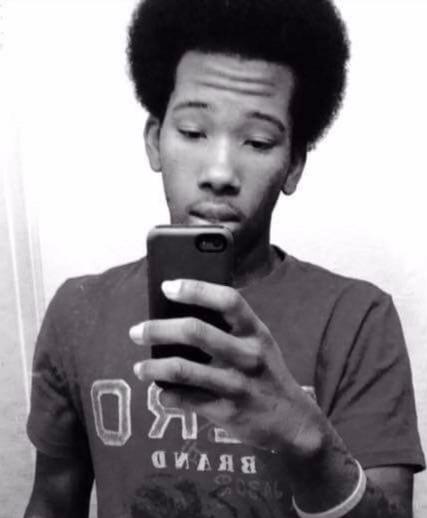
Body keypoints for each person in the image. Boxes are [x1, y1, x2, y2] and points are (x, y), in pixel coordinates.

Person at [24, 0, 425, 517]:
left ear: (293, 166)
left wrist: (307, 438)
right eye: (193, 132)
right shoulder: (78, 309)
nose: (219, 171)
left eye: (257, 141)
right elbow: (52, 501)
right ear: (155, 142)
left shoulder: (356, 319)